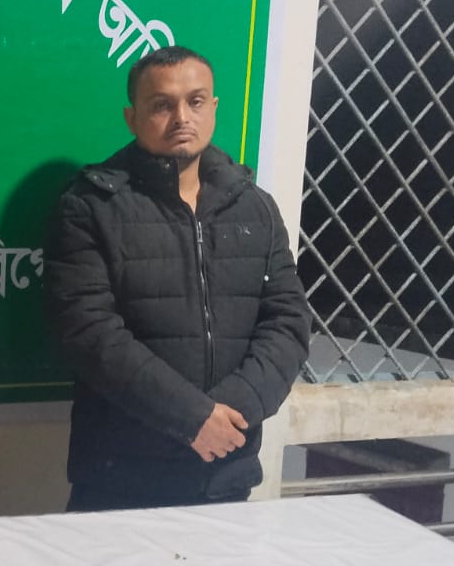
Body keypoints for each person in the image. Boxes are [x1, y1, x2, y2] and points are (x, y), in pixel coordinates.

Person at [44, 45, 310, 510]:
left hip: (226, 473)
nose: (182, 117)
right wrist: (192, 419)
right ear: (132, 118)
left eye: (196, 101)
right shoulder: (90, 207)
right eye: (162, 105)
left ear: (214, 108)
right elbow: (90, 334)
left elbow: (287, 323)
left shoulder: (254, 206)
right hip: (119, 482)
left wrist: (229, 414)